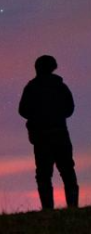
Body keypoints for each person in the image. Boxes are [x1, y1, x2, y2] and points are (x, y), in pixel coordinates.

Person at [19, 55, 78, 210]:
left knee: (44, 174)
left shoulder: (31, 87)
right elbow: (69, 109)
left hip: (42, 137)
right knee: (66, 170)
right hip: (59, 134)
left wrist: (38, 117)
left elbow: (23, 110)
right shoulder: (60, 87)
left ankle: (48, 209)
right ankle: (72, 207)